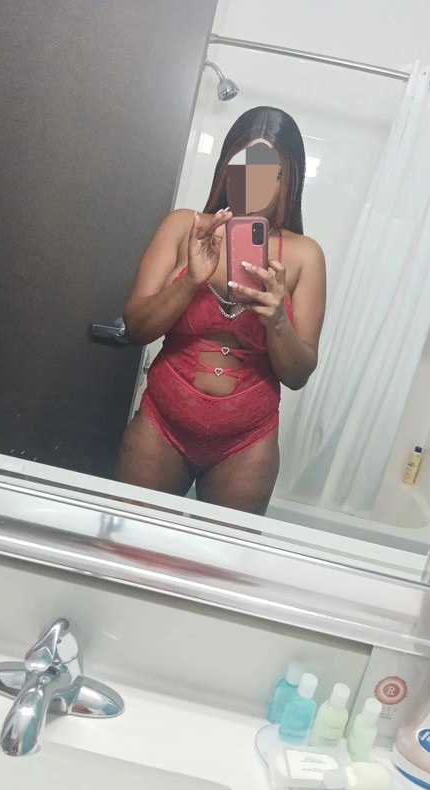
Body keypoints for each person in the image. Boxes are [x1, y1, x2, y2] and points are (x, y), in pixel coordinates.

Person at [116, 106, 326, 514]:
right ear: (227, 168)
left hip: (247, 444)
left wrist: (277, 321)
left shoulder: (305, 256)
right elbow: (136, 327)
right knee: (128, 540)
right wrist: (189, 281)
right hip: (161, 426)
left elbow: (298, 375)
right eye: (245, 166)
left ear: (290, 179)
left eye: (271, 172)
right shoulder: (184, 227)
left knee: (223, 553)